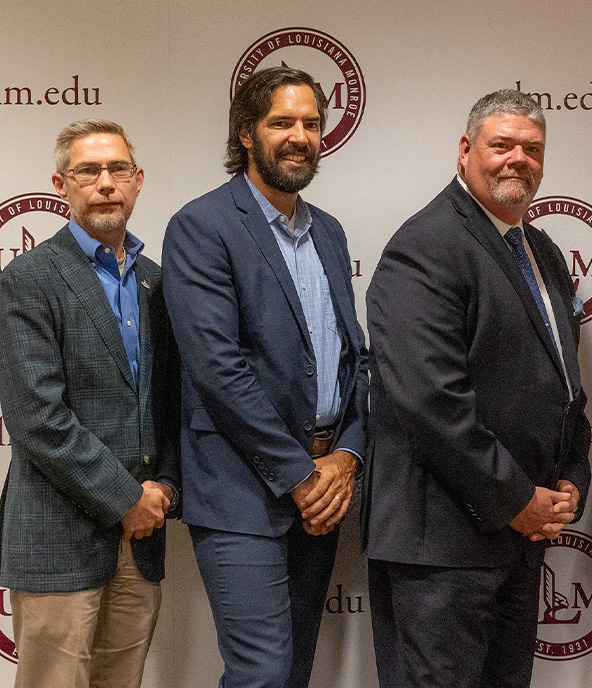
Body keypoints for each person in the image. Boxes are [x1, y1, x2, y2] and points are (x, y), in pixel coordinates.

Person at [364, 89, 591, 688]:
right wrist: (514, 498)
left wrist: (572, 471)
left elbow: (562, 378)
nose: (519, 159)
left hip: (517, 540)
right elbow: (429, 399)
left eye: (532, 149)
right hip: (441, 546)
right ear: (465, 151)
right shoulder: (426, 244)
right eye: (502, 145)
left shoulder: (540, 250)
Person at [161, 66, 369, 688]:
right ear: (247, 133)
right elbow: (218, 370)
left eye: (311, 123)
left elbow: (354, 361)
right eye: (282, 123)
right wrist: (300, 475)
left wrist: (348, 456)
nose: (299, 137)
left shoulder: (329, 231)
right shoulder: (202, 226)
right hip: (242, 489)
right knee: (263, 674)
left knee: (295, 670)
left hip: (325, 481)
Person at [0, 119, 179, 688]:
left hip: (141, 539)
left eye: (117, 169)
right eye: (88, 171)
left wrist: (166, 486)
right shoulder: (29, 278)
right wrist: (126, 498)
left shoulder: (158, 282)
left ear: (138, 180)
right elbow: (36, 417)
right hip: (58, 537)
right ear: (61, 184)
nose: (105, 183)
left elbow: (171, 403)